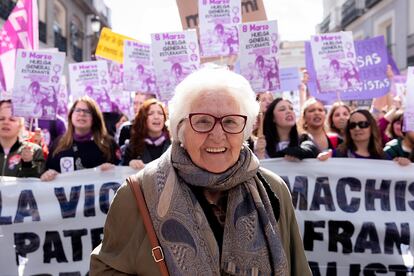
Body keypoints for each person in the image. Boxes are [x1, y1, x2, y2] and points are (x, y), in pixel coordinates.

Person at [90, 66, 311, 275]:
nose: (217, 134)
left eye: (231, 122)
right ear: (180, 128)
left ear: (245, 129)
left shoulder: (273, 190)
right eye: (203, 121)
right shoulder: (138, 194)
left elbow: (298, 268)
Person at [40, 96, 120, 181]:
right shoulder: (58, 144)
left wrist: (113, 170)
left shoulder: (108, 144)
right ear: (71, 115)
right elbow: (47, 171)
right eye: (78, 110)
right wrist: (48, 174)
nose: (82, 114)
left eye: (87, 111)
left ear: (95, 118)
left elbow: (122, 174)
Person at [0, 100, 46, 177]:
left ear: (21, 125)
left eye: (12, 119)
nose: (6, 122)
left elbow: (38, 182)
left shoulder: (35, 151)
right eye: (1, 119)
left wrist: (28, 164)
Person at [318, 109, 387, 160]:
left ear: (372, 127)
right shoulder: (338, 154)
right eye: (352, 125)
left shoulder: (383, 157)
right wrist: (322, 159)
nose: (357, 128)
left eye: (362, 124)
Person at [121, 98, 170, 169]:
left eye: (160, 113)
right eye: (151, 113)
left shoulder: (174, 144)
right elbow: (121, 168)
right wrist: (130, 163)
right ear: (143, 119)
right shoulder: (133, 146)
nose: (156, 117)